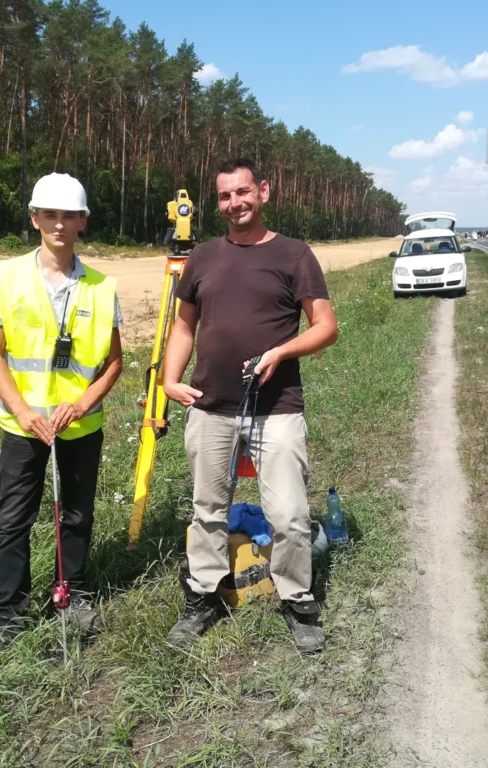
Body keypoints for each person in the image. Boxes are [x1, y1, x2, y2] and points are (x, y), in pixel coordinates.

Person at [162, 157, 339, 655]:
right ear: (216, 201)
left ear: (263, 191)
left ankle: (297, 601)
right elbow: (183, 328)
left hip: (276, 405)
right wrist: (169, 381)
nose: (235, 203)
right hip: (210, 404)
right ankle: (203, 598)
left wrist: (281, 351)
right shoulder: (201, 257)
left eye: (243, 192)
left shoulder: (294, 254)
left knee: (288, 514)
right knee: (207, 509)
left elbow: (326, 326)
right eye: (224, 196)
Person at [0, 172, 124, 654]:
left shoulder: (102, 287)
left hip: (80, 425)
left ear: (83, 222)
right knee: (13, 519)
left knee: (76, 516)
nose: (60, 224)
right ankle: (7, 617)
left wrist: (82, 402)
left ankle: (73, 596)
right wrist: (23, 411)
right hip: (23, 426)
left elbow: (114, 361)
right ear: (35, 217)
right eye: (50, 215)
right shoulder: (5, 276)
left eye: (70, 216)